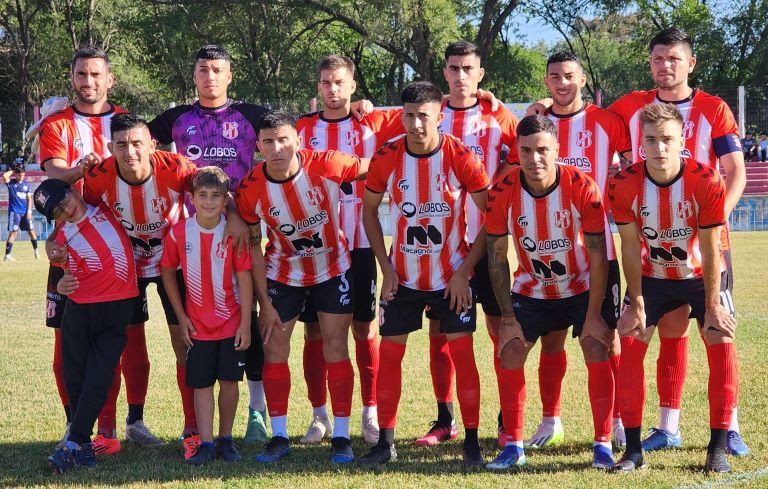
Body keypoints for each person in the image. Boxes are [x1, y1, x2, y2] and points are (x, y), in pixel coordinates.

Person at [606, 27, 747, 456]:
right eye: (657, 59)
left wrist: (715, 217)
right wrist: (541, 109)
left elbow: (735, 169)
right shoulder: (631, 107)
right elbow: (581, 116)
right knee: (668, 328)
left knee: (717, 326)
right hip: (653, 246)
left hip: (705, 241)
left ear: (690, 63)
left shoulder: (713, 108)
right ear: (650, 64)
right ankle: (669, 426)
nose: (665, 66)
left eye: (673, 58)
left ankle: (730, 428)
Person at [360, 81, 490, 467]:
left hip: (451, 276)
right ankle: (385, 442)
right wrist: (386, 269)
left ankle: (470, 442)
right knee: (390, 356)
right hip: (404, 278)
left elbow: (492, 217)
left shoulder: (460, 156)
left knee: (464, 355)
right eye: (410, 116)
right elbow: (369, 211)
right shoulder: (387, 156)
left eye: (424, 116)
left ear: (440, 116)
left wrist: (464, 273)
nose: (416, 124)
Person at [37, 46, 158, 455]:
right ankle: (79, 427)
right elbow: (55, 178)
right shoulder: (56, 123)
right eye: (80, 75)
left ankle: (131, 422)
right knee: (66, 343)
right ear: (72, 78)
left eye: (95, 75)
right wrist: (81, 170)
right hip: (67, 248)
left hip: (119, 249)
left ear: (110, 80)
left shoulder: (126, 120)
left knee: (130, 336)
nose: (87, 82)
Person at [235, 110, 369, 464]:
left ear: (298, 140)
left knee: (336, 345)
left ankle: (341, 435)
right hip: (283, 273)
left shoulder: (328, 163)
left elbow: (375, 166)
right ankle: (279, 436)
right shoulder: (250, 190)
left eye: (283, 140)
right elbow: (252, 243)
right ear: (258, 147)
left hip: (332, 268)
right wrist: (264, 301)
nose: (277, 148)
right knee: (275, 347)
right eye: (268, 142)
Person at [484, 115, 616, 471]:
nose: (534, 158)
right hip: (531, 288)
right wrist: (508, 319)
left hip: (580, 285)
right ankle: (513, 445)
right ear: (517, 151)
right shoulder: (501, 191)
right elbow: (496, 258)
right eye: (526, 150)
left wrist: (592, 316)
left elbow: (598, 255)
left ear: (557, 150)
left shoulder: (582, 186)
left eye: (543, 150)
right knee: (509, 350)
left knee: (596, 344)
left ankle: (603, 444)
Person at [295, 54, 403, 446]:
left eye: (340, 82)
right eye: (326, 82)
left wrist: (487, 96)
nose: (333, 89)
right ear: (318, 86)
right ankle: (318, 416)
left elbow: (431, 107)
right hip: (315, 247)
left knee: (363, 327)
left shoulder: (373, 122)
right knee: (314, 332)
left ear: (353, 86)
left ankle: (369, 413)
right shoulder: (302, 128)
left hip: (359, 244)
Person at [417, 40, 520, 448]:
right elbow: (379, 134)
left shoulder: (499, 117)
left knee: (501, 330)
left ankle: (504, 418)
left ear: (480, 74)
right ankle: (445, 420)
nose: (460, 76)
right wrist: (364, 107)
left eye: (468, 69)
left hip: (491, 246)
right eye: (453, 68)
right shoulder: (430, 114)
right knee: (441, 334)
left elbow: (531, 150)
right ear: (444, 72)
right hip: (441, 250)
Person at [526, 51, 630, 450]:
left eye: (569, 76)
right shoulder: (537, 123)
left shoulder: (607, 123)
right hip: (549, 253)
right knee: (551, 341)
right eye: (555, 77)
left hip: (598, 251)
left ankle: (618, 419)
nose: (562, 83)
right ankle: (551, 420)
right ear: (547, 81)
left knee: (607, 337)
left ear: (582, 79)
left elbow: (630, 166)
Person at [36, 179, 138, 474]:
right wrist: (63, 283)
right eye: (56, 210)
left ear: (74, 191)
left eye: (63, 200)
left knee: (100, 373)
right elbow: (62, 273)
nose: (64, 209)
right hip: (79, 309)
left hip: (117, 306)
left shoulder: (106, 208)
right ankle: (83, 446)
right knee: (75, 375)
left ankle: (75, 443)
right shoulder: (60, 238)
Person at [161, 166, 253, 465]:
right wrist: (181, 316)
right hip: (197, 326)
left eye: (216, 196)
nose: (209, 202)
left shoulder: (232, 231)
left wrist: (246, 323)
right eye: (203, 195)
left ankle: (226, 439)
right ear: (192, 198)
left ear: (226, 199)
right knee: (201, 384)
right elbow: (167, 272)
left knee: (229, 381)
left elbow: (246, 277)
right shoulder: (178, 233)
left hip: (230, 323)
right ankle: (207, 443)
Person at [3, 163, 39, 260]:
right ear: (15, 174)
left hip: (25, 212)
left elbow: (29, 199)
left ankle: (36, 252)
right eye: (19, 174)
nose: (22, 176)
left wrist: (29, 211)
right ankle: (7, 255)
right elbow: (4, 176)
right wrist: (13, 170)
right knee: (13, 232)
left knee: (31, 231)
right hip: (15, 212)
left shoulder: (26, 185)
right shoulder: (11, 183)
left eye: (23, 174)